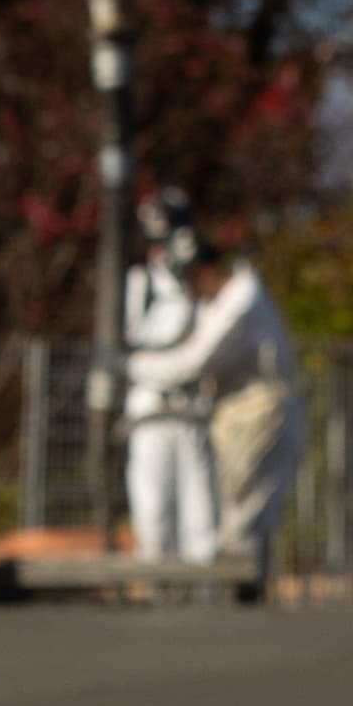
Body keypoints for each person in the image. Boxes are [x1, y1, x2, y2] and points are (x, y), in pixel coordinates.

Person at [96, 197, 300, 592]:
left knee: (215, 519)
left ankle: (228, 599)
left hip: (239, 409)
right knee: (157, 514)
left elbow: (194, 361)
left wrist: (127, 367)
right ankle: (181, 595)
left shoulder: (235, 301)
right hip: (170, 411)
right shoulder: (144, 287)